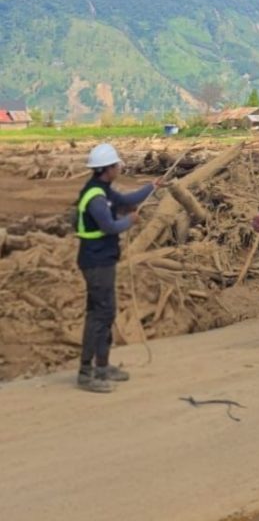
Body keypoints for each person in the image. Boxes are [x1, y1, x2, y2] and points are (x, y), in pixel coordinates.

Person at [75, 143, 162, 393]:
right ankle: (86, 373)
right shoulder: (96, 197)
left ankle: (102, 367)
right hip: (95, 261)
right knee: (100, 315)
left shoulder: (103, 190)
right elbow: (109, 226)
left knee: (106, 312)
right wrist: (129, 221)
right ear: (107, 169)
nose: (119, 168)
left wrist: (151, 187)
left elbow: (126, 200)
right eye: (116, 165)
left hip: (103, 260)